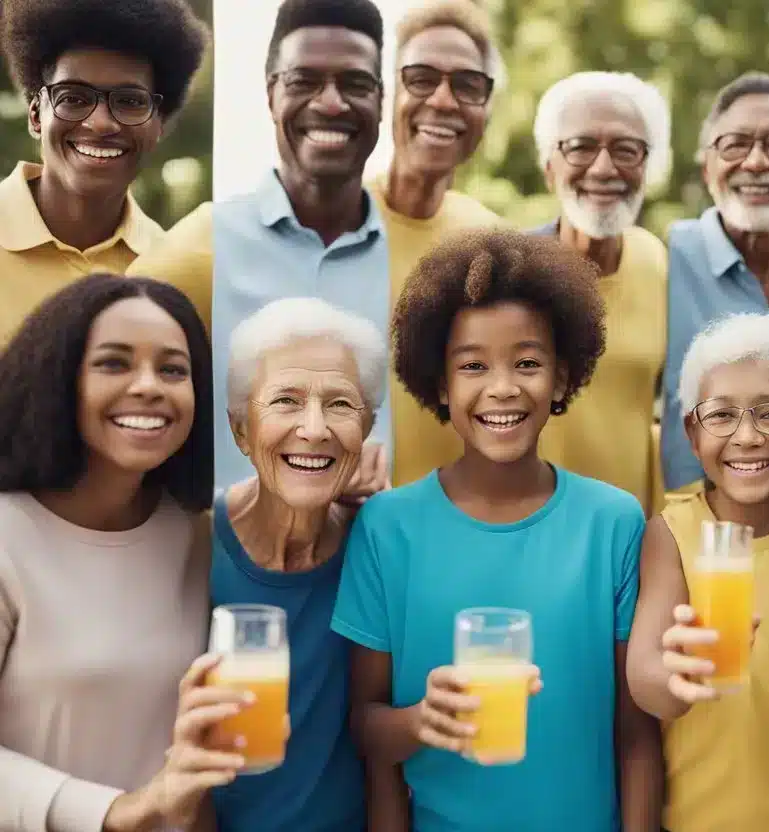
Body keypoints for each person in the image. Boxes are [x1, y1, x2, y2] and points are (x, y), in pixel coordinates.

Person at [331, 229, 662, 830]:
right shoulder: (387, 528)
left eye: (528, 363)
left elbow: (636, 736)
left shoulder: (613, 524)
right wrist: (417, 722)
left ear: (562, 379)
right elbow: (365, 729)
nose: (502, 387)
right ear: (440, 384)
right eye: (473, 366)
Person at [129, 0, 393, 494]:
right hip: (229, 566)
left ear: (381, 100)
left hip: (394, 568)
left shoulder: (422, 261)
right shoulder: (195, 252)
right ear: (272, 95)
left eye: (355, 83)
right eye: (303, 81)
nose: (331, 103)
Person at [0, 274, 228, 831]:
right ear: (59, 380)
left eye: (173, 369)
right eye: (114, 363)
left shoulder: (199, 535)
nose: (149, 386)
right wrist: (119, 811)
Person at [626, 312, 769, 831]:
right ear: (692, 432)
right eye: (722, 416)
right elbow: (644, 676)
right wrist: (678, 675)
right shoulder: (672, 531)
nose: (747, 436)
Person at [167, 298, 389, 829]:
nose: (314, 429)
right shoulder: (188, 541)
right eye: (286, 401)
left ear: (366, 430)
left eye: (339, 405)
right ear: (241, 430)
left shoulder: (378, 546)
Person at [662, 72, 769, 501]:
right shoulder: (665, 259)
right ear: (707, 167)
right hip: (689, 544)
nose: (757, 162)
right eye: (736, 144)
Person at [0, 0, 208, 346]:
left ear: (159, 125)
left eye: (129, 101)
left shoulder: (175, 267)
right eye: (74, 98)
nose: (99, 124)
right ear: (36, 115)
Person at [375, 0, 508, 486]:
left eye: (468, 85)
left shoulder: (493, 243)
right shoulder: (334, 223)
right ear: (388, 92)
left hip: (453, 531)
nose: (444, 101)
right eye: (422, 78)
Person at [531, 70, 670, 514]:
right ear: (549, 166)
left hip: (630, 540)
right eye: (581, 146)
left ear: (647, 167)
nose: (604, 168)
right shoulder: (507, 275)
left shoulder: (658, 261)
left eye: (626, 149)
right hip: (527, 533)